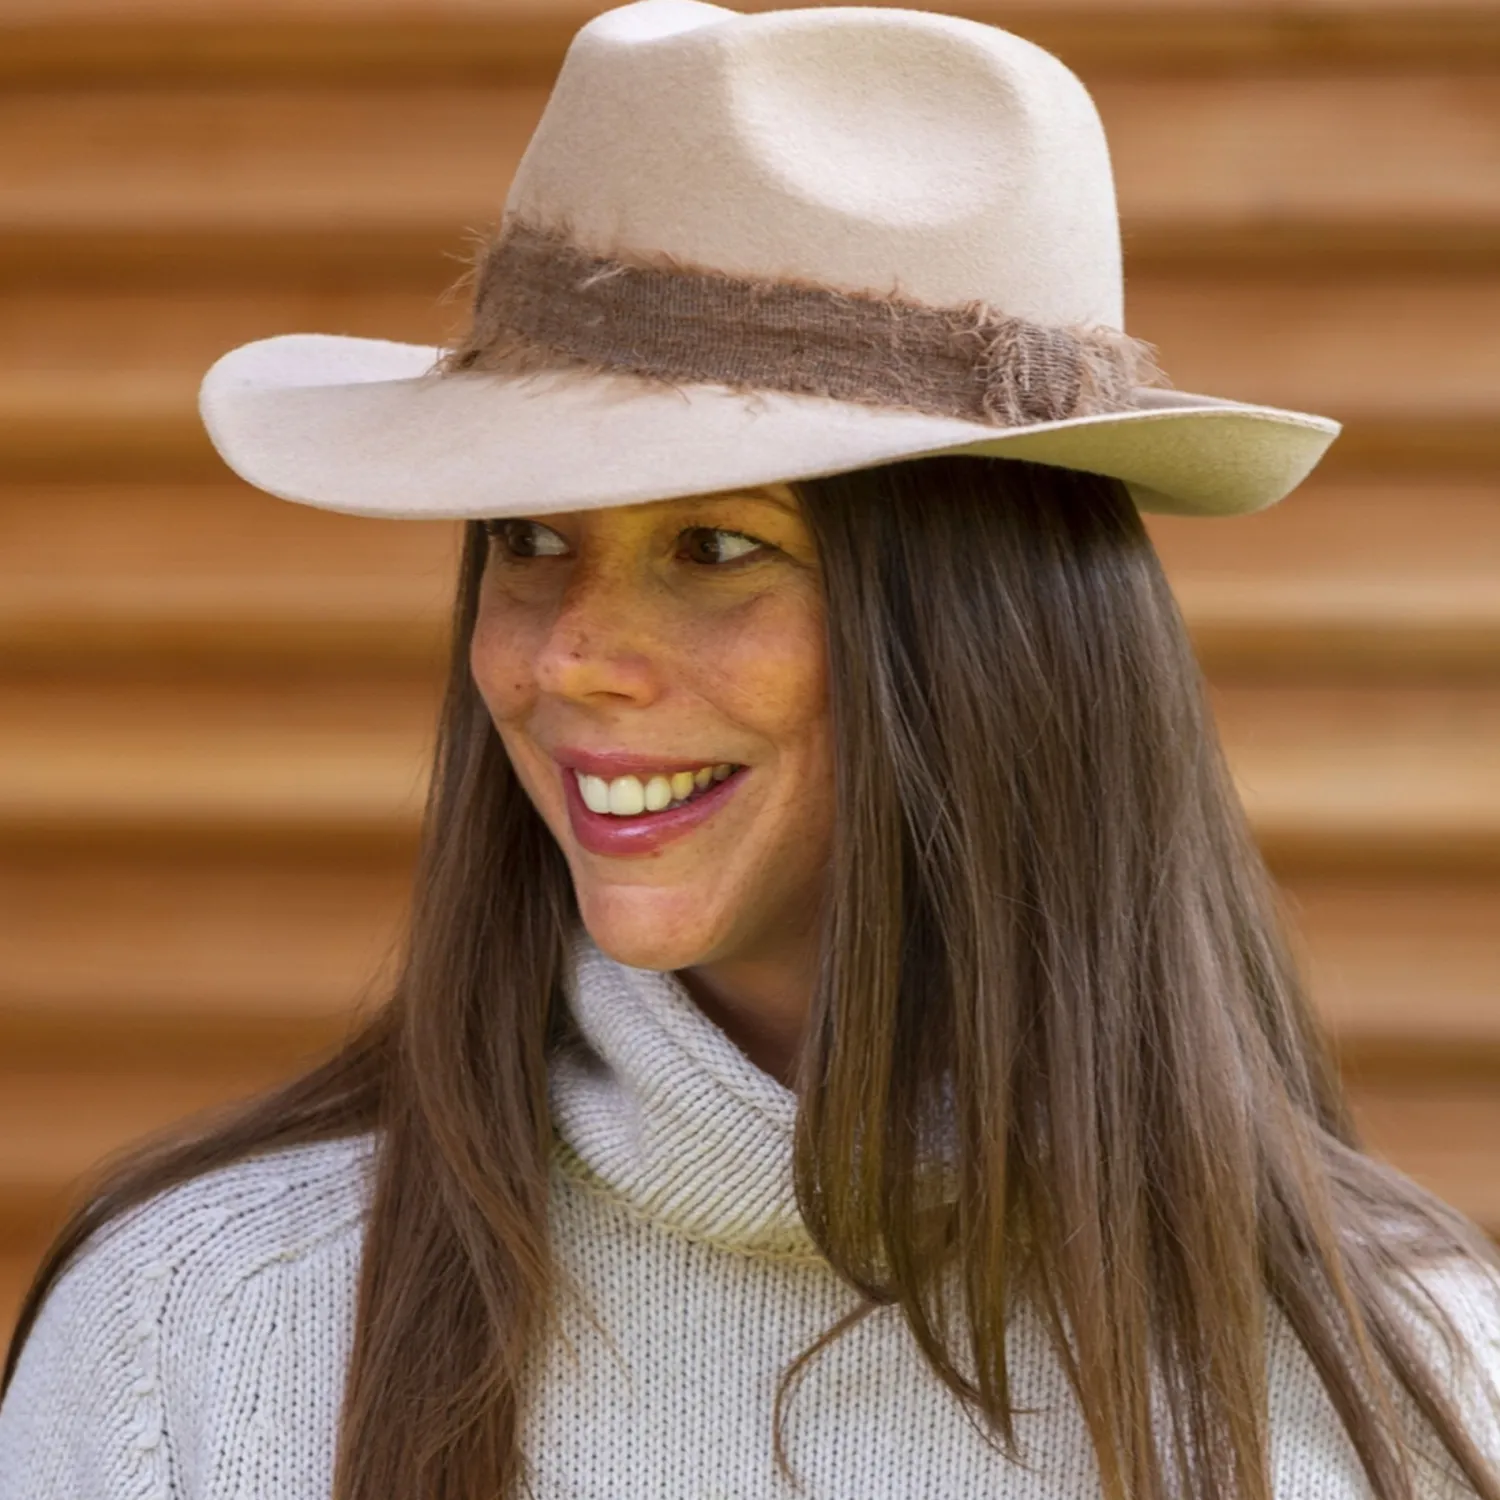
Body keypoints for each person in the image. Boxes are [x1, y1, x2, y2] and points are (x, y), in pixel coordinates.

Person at [2, 3, 1498, 1498]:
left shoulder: (1406, 1378)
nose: (562, 654)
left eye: (716, 546)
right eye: (527, 540)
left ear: (998, 640)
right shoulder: (198, 1327)